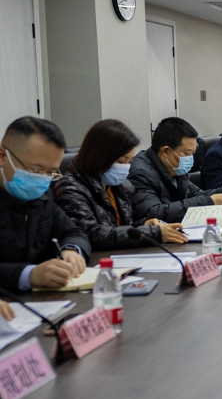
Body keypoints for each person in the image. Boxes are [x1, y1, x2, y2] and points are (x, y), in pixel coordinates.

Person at [54, 120, 187, 251]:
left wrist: (145, 223)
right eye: (121, 161)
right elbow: (92, 234)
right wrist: (153, 233)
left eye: (130, 162)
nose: (126, 168)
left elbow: (124, 226)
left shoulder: (121, 186)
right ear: (99, 157)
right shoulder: (70, 189)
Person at [0, 116, 90, 291]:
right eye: (36, 170)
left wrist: (72, 250)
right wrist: (28, 275)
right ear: (2, 156)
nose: (42, 179)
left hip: (42, 298)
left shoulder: (41, 196)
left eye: (51, 173)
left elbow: (72, 231)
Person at [130, 117, 222, 223]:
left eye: (193, 153)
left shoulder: (176, 169)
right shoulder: (140, 174)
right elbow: (154, 213)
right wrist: (209, 201)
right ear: (165, 152)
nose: (190, 158)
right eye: (187, 153)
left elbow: (196, 194)